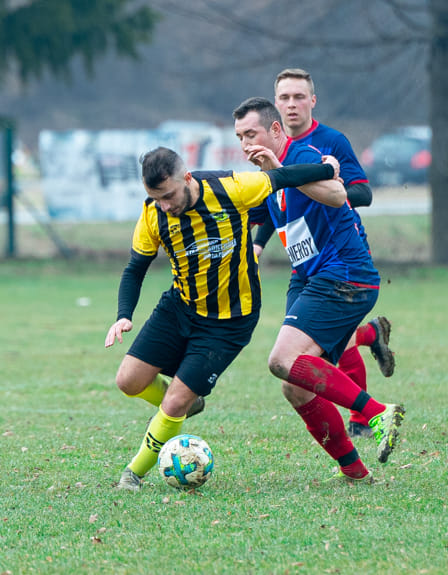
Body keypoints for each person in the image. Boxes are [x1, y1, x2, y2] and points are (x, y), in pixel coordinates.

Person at [105, 146, 339, 491]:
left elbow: (282, 178)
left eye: (168, 195)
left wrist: (325, 169)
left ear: (187, 178)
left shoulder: (231, 189)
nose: (165, 205)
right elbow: (135, 268)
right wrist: (123, 316)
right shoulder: (153, 214)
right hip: (180, 307)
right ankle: (189, 402)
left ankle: (134, 473)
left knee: (173, 402)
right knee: (128, 381)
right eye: (156, 198)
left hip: (229, 321)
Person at [233, 97, 405, 483]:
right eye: (240, 137)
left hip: (344, 273)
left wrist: (281, 168)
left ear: (275, 130)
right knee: (294, 387)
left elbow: (338, 195)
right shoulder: (267, 176)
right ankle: (356, 473)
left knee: (281, 359)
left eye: (252, 134)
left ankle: (377, 412)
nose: (245, 144)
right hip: (309, 277)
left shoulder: (302, 153)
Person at [253, 68, 393, 438]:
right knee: (309, 349)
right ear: (275, 104)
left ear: (312, 101)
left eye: (299, 97)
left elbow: (362, 193)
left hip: (340, 253)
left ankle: (366, 417)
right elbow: (277, 200)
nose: (291, 104)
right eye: (284, 97)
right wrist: (258, 242)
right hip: (306, 263)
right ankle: (370, 339)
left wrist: (324, 184)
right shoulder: (269, 146)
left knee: (312, 346)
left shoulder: (331, 142)